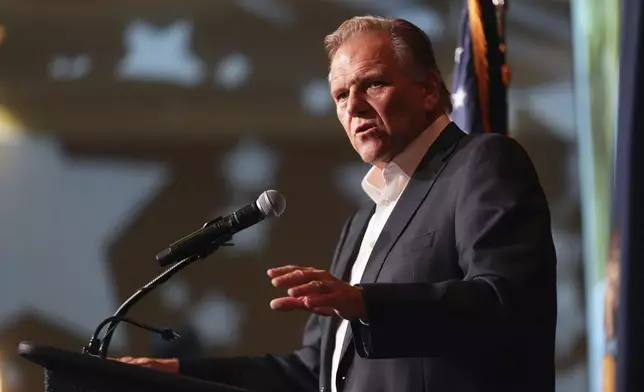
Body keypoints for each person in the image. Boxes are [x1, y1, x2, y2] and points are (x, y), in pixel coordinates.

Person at [117, 16, 557, 392]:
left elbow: (507, 304)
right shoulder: (363, 219)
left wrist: (365, 302)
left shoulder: (481, 164)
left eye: (374, 84)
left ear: (427, 91)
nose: (355, 107)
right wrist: (174, 374)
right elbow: (314, 372)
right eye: (341, 96)